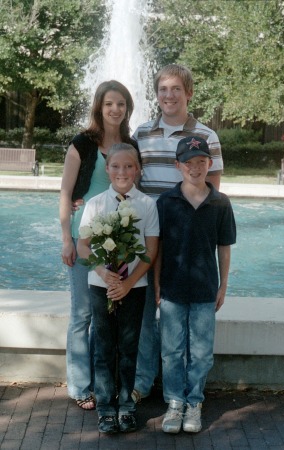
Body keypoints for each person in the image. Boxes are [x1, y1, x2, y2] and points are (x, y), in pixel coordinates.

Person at [132, 64, 224, 403]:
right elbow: (130, 180)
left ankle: (186, 391)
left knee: (183, 314)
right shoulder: (142, 133)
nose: (168, 95)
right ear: (156, 94)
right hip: (149, 236)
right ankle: (143, 381)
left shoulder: (206, 136)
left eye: (175, 89)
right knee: (146, 309)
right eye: (163, 89)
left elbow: (213, 190)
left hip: (186, 240)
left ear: (188, 93)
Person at [59, 80, 137, 410]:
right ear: (99, 107)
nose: (115, 109)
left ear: (127, 108)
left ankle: (103, 379)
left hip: (118, 244)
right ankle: (79, 385)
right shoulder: (82, 143)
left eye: (120, 104)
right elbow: (65, 192)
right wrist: (66, 238)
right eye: (109, 104)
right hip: (84, 239)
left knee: (107, 316)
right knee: (82, 314)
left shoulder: (131, 145)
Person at [155, 135, 236, 434]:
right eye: (189, 162)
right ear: (178, 166)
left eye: (201, 161)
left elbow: (224, 247)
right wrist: (157, 284)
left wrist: (223, 286)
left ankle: (194, 402)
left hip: (204, 290)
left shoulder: (220, 203)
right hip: (173, 290)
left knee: (201, 352)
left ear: (209, 164)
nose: (195, 167)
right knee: (172, 351)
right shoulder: (166, 202)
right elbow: (158, 248)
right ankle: (175, 402)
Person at [77, 143, 159, 434]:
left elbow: (150, 251)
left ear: (137, 170)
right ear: (107, 169)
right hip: (102, 286)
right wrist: (103, 272)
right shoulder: (96, 203)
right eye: (116, 166)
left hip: (134, 286)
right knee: (103, 346)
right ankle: (105, 406)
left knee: (128, 346)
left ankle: (126, 404)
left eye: (128, 166)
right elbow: (83, 246)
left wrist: (127, 282)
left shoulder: (147, 205)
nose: (122, 172)